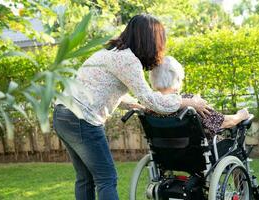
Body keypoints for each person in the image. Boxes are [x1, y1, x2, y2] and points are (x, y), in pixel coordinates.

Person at [52, 14, 212, 200]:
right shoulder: (128, 60)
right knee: (107, 178)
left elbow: (104, 91)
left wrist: (137, 104)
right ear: (149, 39)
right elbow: (154, 101)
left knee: (85, 179)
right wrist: (189, 102)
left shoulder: (109, 53)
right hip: (82, 118)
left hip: (62, 114)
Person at [149, 56, 250, 140]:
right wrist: (240, 115)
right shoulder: (191, 102)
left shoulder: (150, 105)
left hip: (166, 157)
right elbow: (223, 122)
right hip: (199, 157)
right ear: (177, 78)